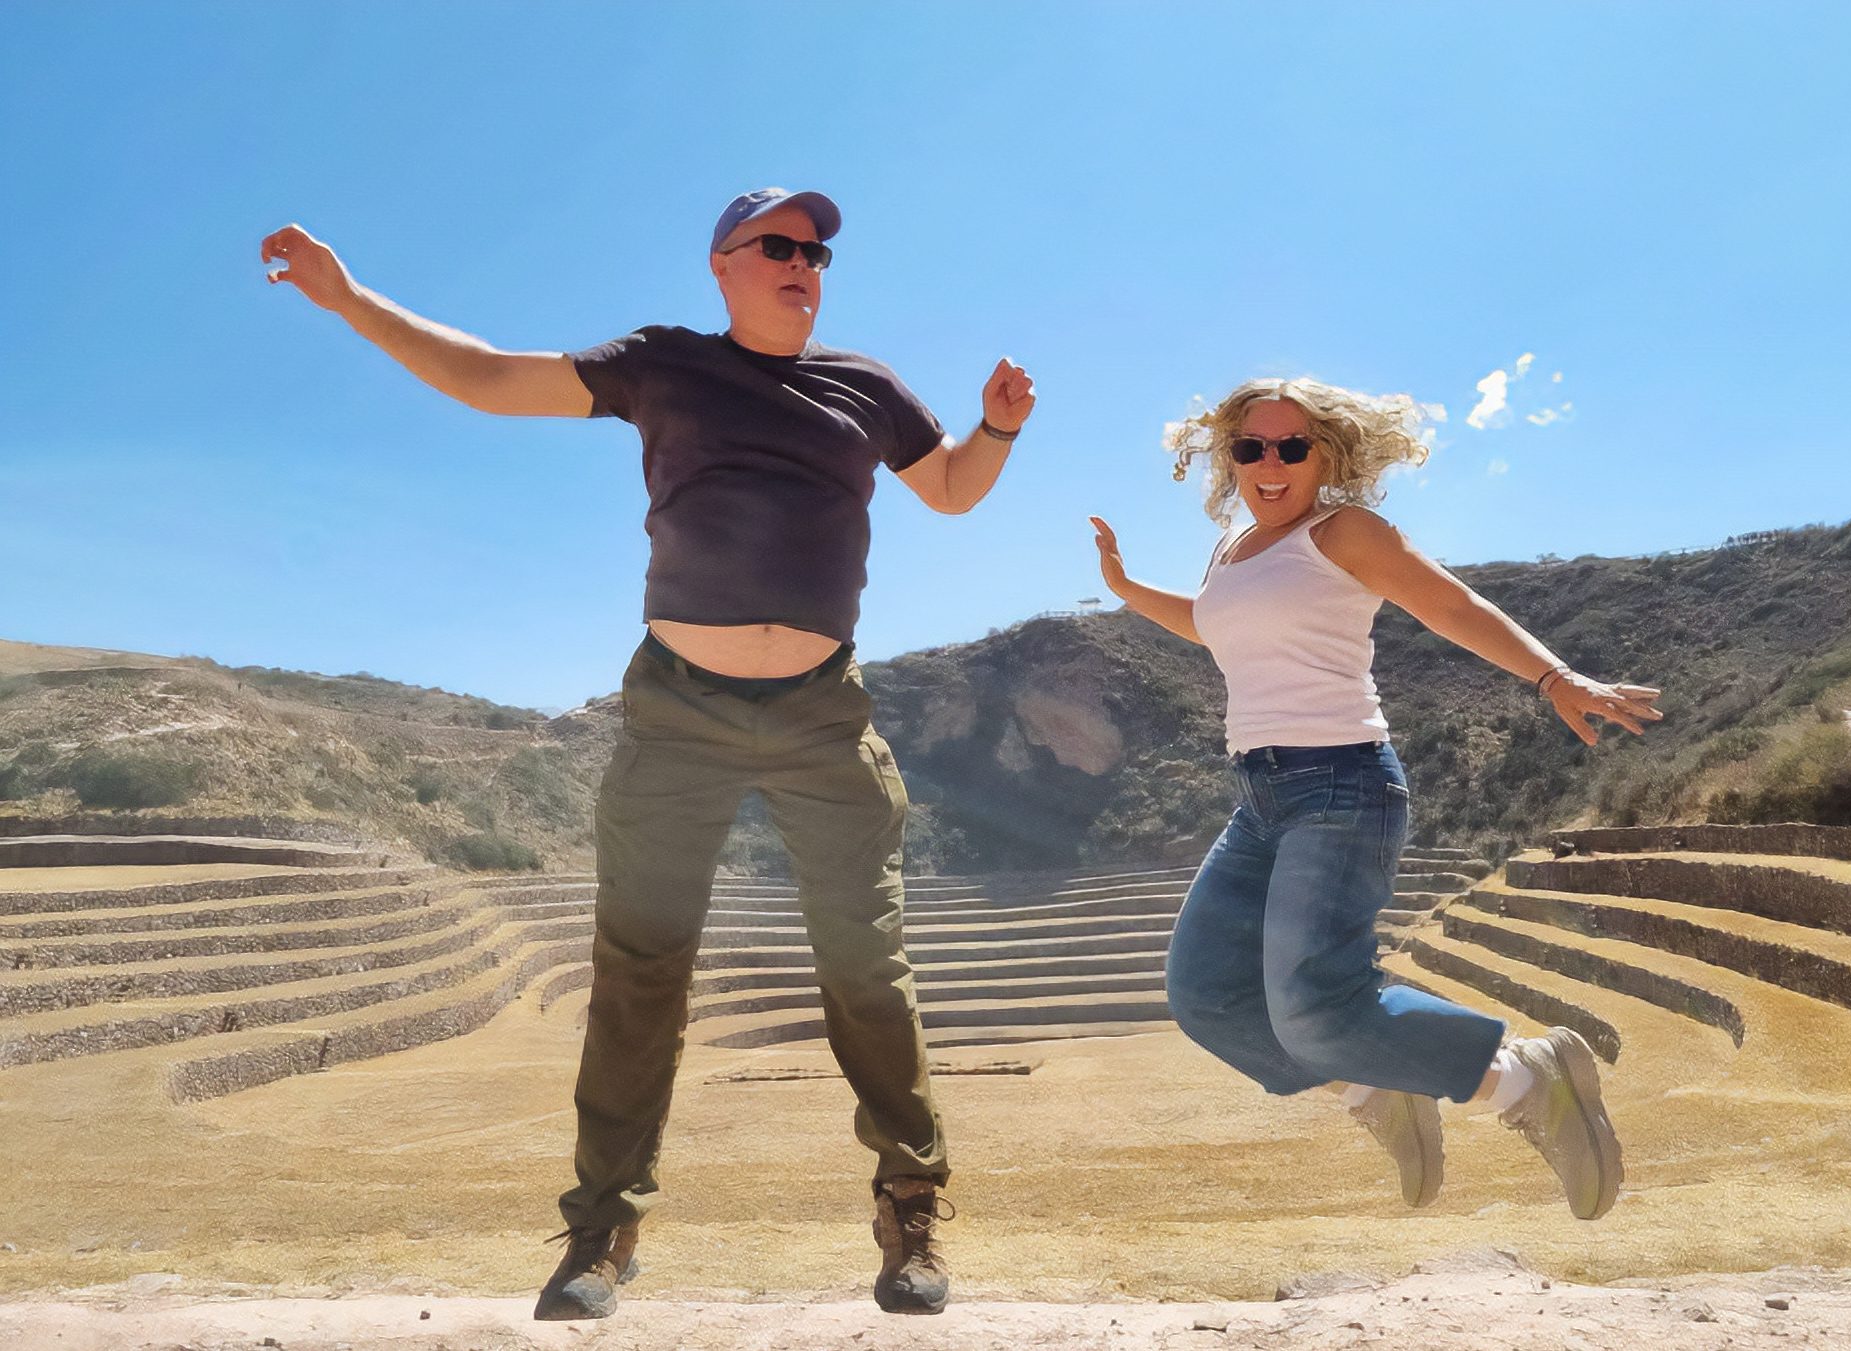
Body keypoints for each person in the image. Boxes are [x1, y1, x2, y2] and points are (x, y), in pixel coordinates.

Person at [262, 187, 1035, 1319]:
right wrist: (345, 299)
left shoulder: (865, 386)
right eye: (777, 245)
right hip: (679, 713)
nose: (804, 263)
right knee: (639, 974)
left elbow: (954, 493)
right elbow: (483, 378)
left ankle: (910, 1211)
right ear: (722, 265)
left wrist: (998, 427)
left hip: (824, 714)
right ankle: (600, 1235)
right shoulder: (662, 362)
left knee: (867, 967)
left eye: (816, 251)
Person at [1089, 377, 1658, 1221]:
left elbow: (1448, 602)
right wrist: (1130, 589)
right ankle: (1379, 1079)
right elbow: (1216, 626)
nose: (1270, 464)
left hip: (1342, 786)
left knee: (1315, 1007)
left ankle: (1528, 1079)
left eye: (1292, 447)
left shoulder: (1343, 531)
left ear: (1328, 455)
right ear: (1230, 458)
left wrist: (1552, 674)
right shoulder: (1232, 549)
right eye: (1250, 448)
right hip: (1261, 798)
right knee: (1205, 993)